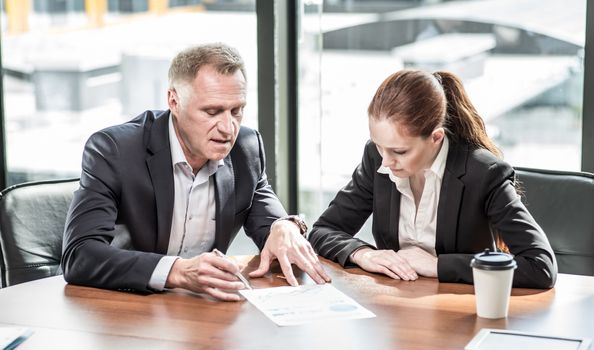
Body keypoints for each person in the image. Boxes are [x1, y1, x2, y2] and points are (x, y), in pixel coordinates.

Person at [62, 43, 330, 301]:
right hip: (125, 308)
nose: (228, 128)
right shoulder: (116, 150)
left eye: (237, 111)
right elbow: (80, 255)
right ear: (174, 101)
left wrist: (285, 227)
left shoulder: (245, 148)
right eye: (212, 111)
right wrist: (177, 271)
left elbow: (269, 219)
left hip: (202, 310)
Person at [308, 69, 556, 288]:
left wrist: (438, 266)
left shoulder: (484, 173)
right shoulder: (377, 158)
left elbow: (540, 266)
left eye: (400, 151)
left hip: (461, 313)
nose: (385, 161)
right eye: (379, 146)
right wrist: (362, 253)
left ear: (436, 138)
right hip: (395, 307)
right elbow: (323, 230)